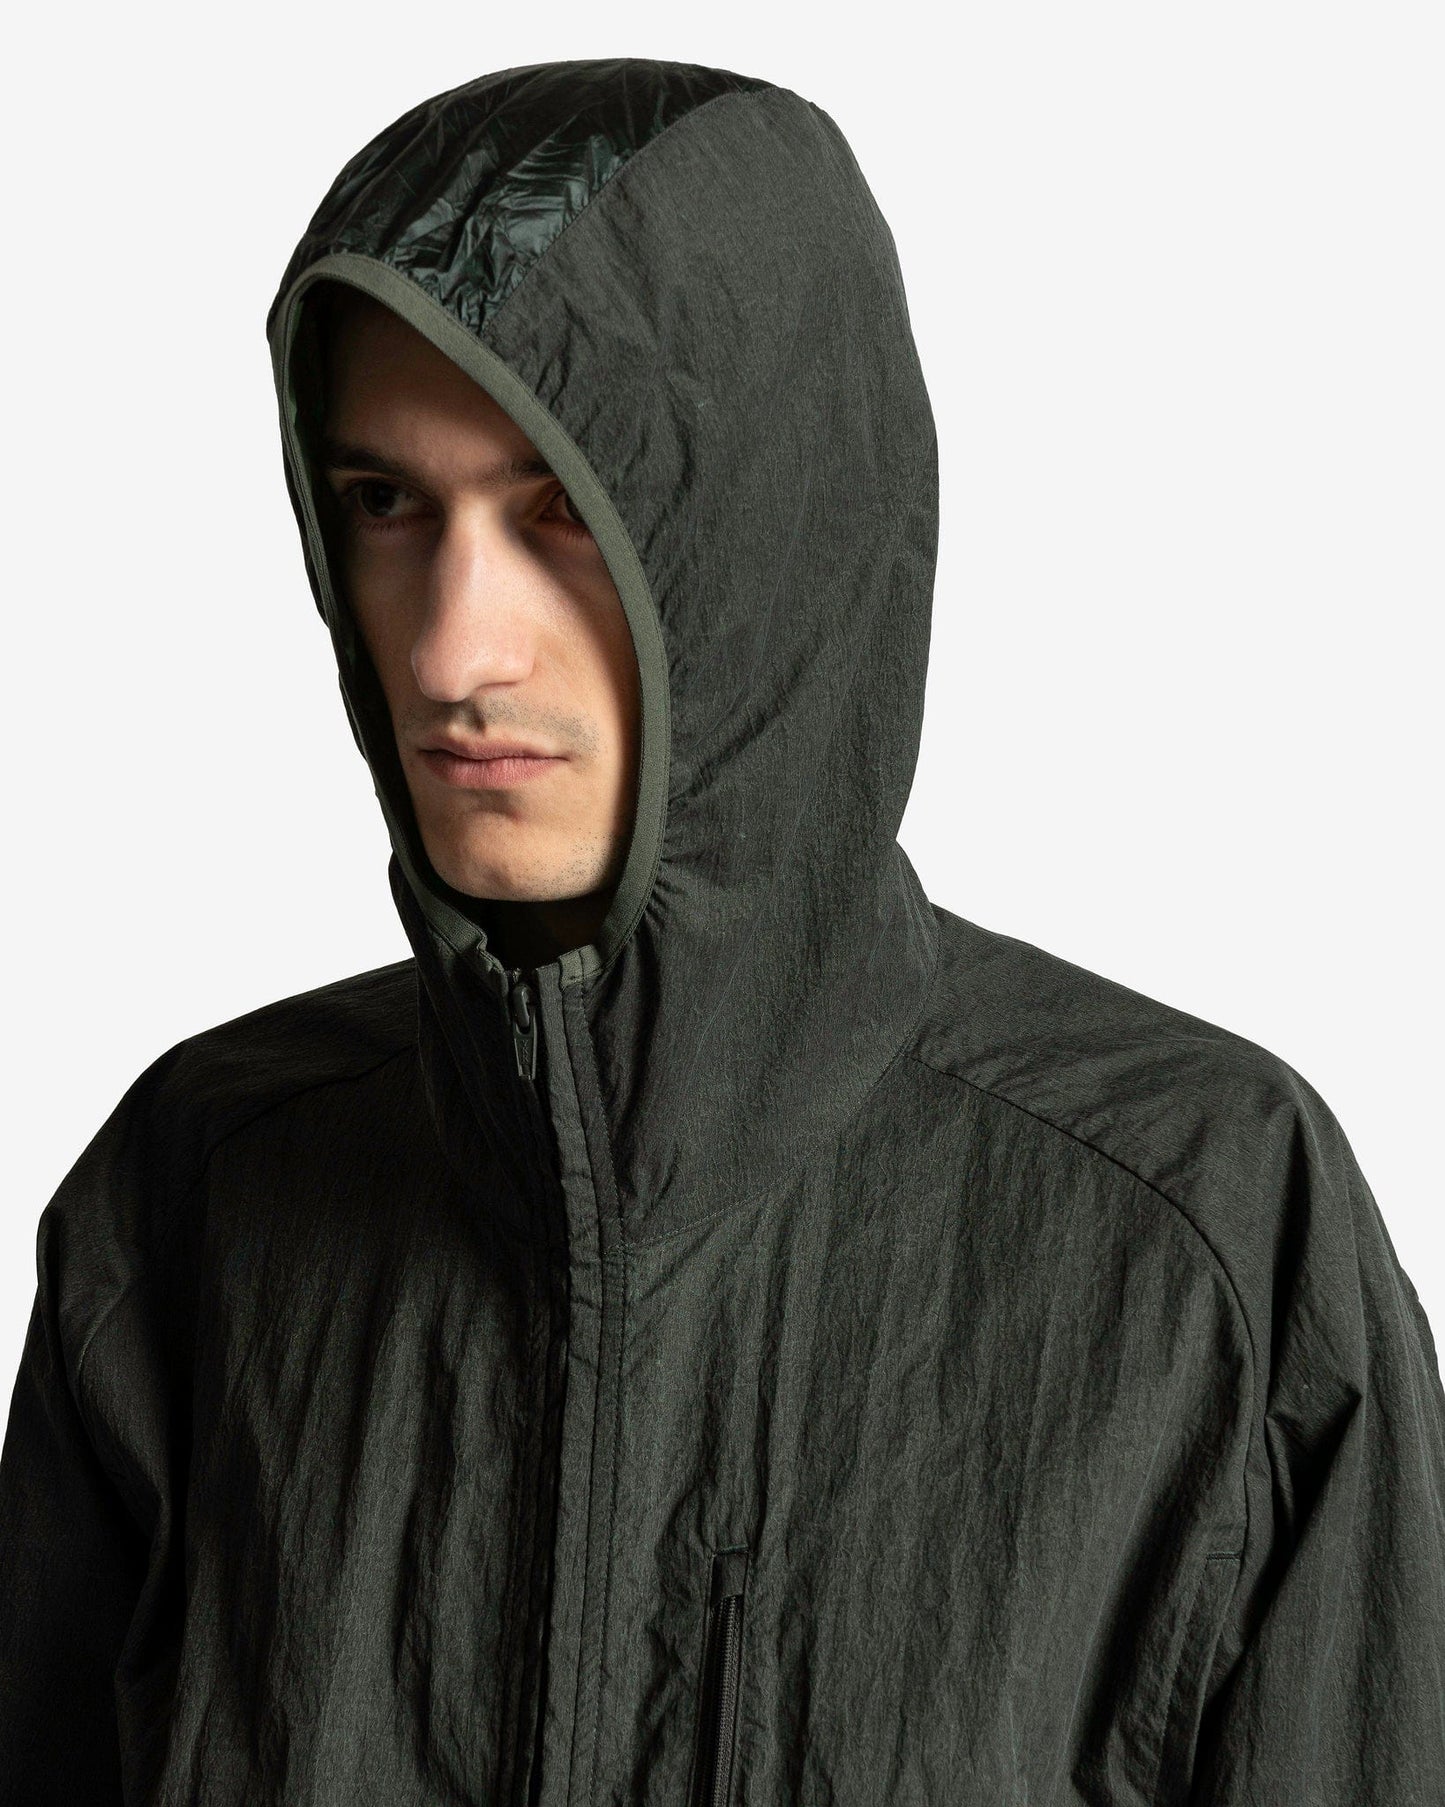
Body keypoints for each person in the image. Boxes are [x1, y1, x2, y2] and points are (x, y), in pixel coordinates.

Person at [1, 55, 1441, 1806]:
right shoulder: (192, 1199)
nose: (453, 651)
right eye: (386, 504)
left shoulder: (1202, 1226)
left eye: (562, 510)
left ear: (775, 528)